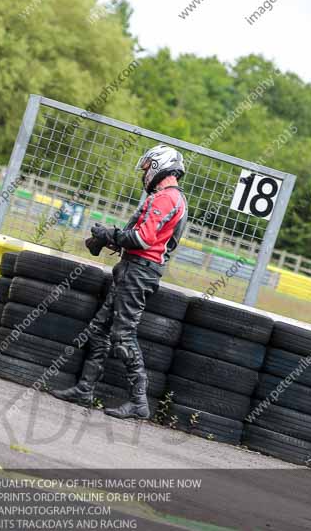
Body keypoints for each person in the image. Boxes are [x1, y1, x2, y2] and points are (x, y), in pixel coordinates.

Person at [50, 144, 189, 420]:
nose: (145, 173)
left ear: (160, 166)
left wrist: (109, 234)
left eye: (148, 167)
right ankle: (85, 389)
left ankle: (139, 402)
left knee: (123, 335)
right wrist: (110, 237)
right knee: (100, 328)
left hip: (139, 273)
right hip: (133, 270)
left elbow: (142, 239)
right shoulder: (171, 198)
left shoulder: (166, 198)